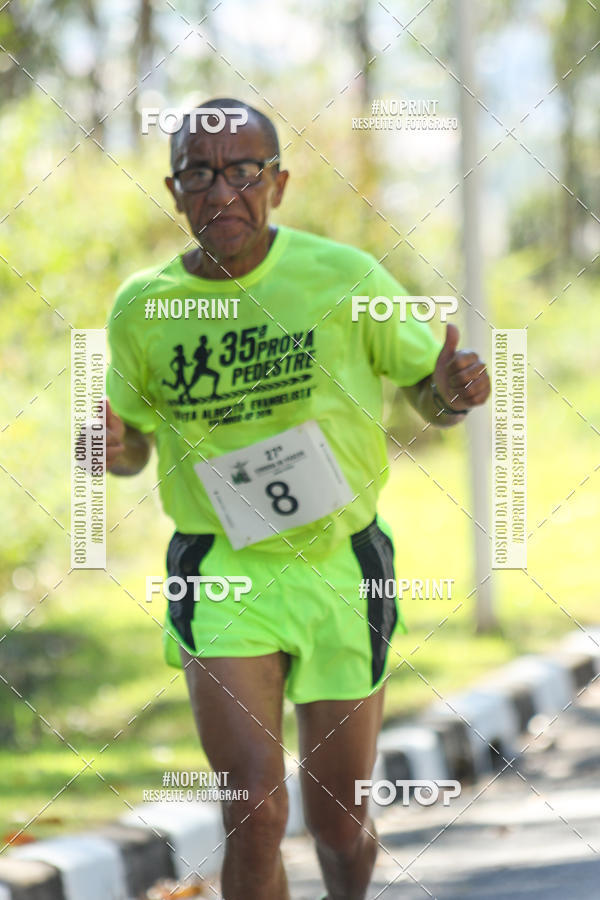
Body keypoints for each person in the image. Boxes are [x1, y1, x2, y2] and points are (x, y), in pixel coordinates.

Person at [105, 97, 490, 900]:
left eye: (245, 171)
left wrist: (450, 396)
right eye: (199, 175)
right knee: (252, 810)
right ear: (173, 192)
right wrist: (112, 449)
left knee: (340, 829)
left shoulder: (344, 277)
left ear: (277, 184)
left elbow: (431, 392)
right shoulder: (143, 309)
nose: (222, 193)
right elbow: (131, 443)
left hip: (341, 567)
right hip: (223, 572)